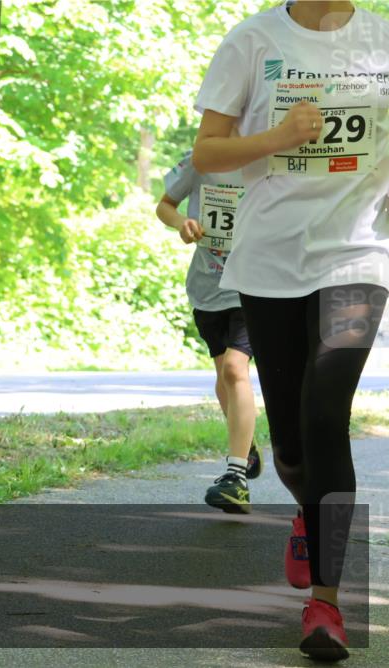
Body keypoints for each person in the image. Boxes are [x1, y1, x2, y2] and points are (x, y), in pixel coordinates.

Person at [193, 0, 388, 660]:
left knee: (327, 408)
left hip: (358, 251)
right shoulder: (253, 41)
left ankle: (326, 606)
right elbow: (208, 154)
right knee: (293, 449)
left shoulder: (383, 39)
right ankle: (308, 516)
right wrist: (277, 137)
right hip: (271, 258)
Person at [157, 152, 263, 514]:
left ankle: (236, 476)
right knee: (223, 377)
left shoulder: (267, 159)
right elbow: (165, 205)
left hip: (253, 285)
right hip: (207, 288)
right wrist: (182, 222)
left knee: (236, 369)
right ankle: (244, 445)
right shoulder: (200, 160)